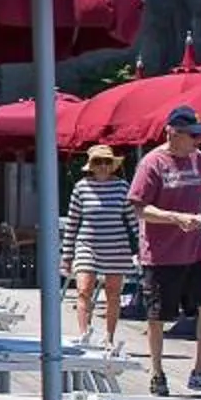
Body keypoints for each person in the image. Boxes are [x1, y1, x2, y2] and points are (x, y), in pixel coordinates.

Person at [126, 105, 201, 398]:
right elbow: (139, 208)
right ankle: (157, 372)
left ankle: (200, 371)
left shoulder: (198, 159)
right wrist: (176, 218)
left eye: (200, 135)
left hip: (195, 252)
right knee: (157, 316)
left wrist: (196, 211)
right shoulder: (152, 163)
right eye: (192, 135)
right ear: (172, 133)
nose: (197, 141)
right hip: (160, 256)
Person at [56, 145, 137, 349]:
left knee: (113, 293)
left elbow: (133, 220)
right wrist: (67, 256)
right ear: (91, 166)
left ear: (112, 165)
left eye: (107, 162)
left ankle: (109, 337)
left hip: (116, 245)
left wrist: (142, 247)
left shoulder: (122, 187)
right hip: (87, 244)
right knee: (83, 289)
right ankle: (84, 333)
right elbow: (72, 223)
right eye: (98, 162)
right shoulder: (81, 187)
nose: (103, 166)